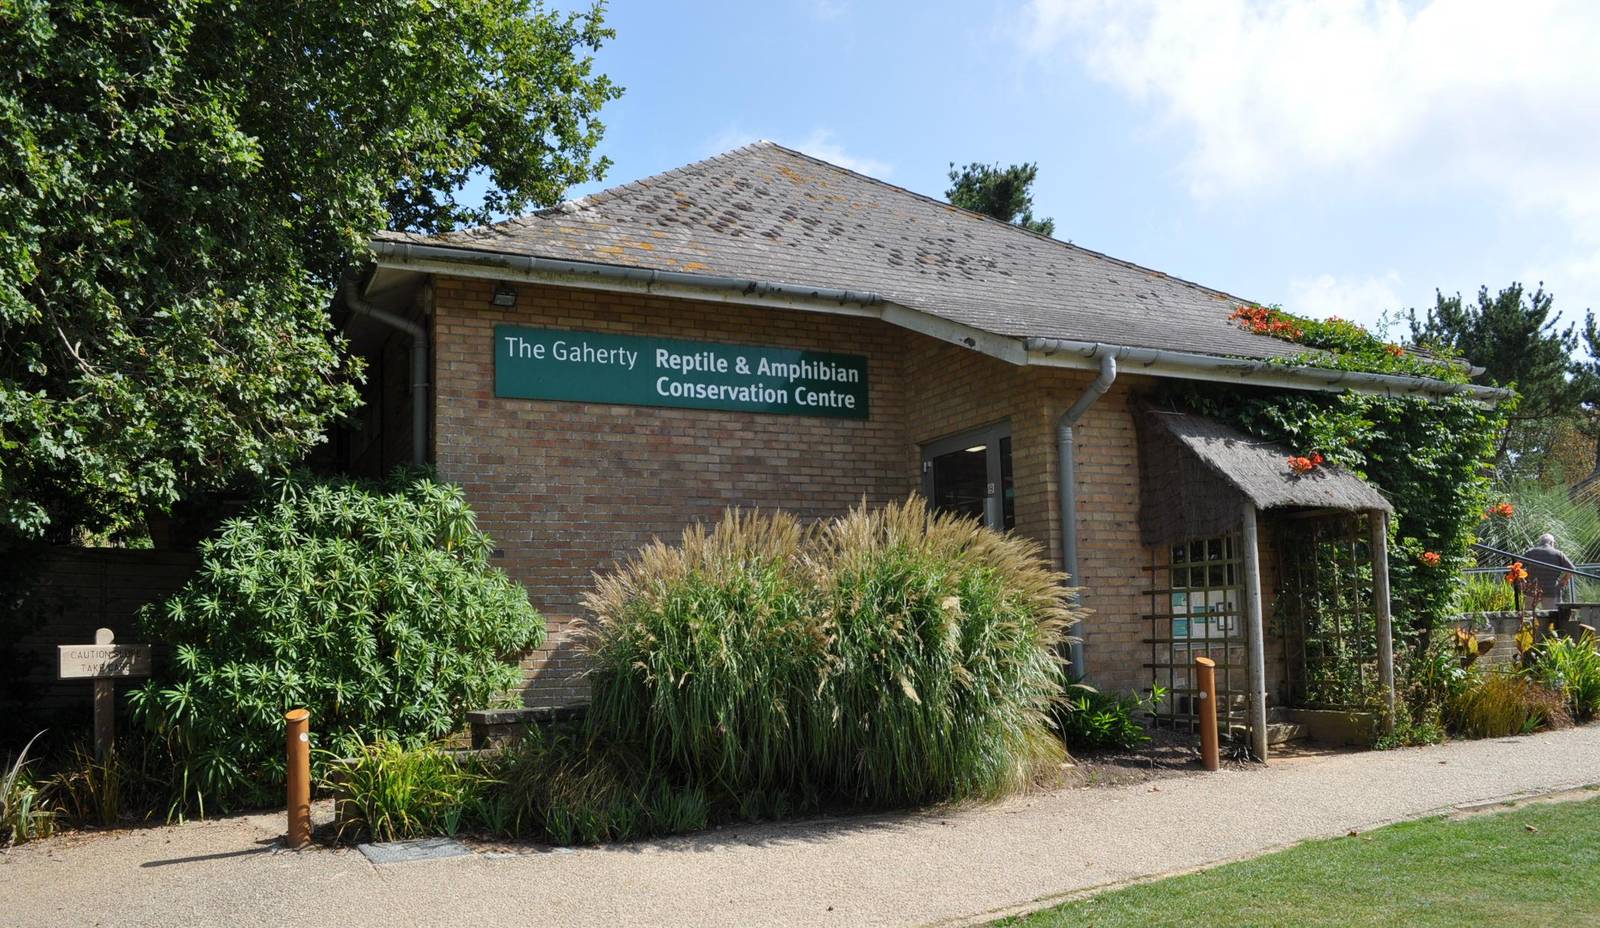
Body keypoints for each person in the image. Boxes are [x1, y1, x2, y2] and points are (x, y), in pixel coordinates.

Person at [1521, 533, 1576, 608]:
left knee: (1529, 615)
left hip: (1532, 589)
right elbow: (1572, 569)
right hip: (1552, 590)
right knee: (1552, 616)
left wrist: (1523, 581)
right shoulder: (1558, 554)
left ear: (1540, 542)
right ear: (1551, 543)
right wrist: (1564, 579)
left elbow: (1517, 567)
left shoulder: (1530, 552)